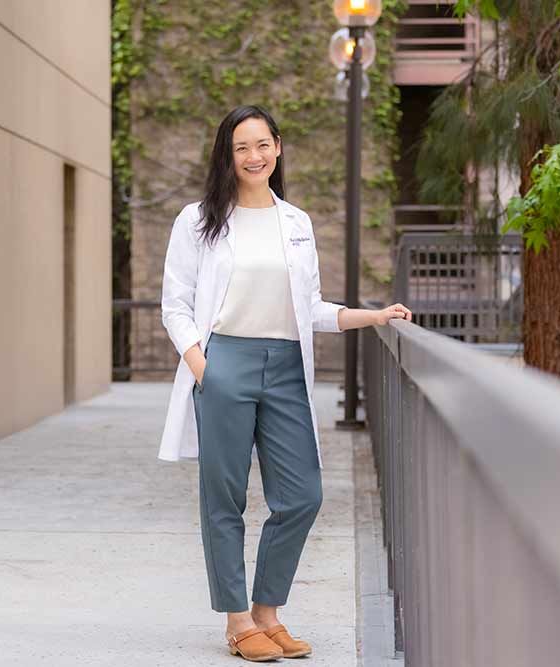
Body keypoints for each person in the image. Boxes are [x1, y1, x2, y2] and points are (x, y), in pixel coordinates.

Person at [158, 104, 412, 662]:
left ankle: (268, 612)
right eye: (241, 147)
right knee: (223, 497)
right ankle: (237, 619)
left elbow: (310, 307)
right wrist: (205, 367)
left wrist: (368, 316)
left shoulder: (295, 222)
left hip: (286, 368)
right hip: (224, 361)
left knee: (302, 496)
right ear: (228, 155)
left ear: (279, 147)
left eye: (262, 144)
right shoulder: (198, 220)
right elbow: (174, 305)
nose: (254, 156)